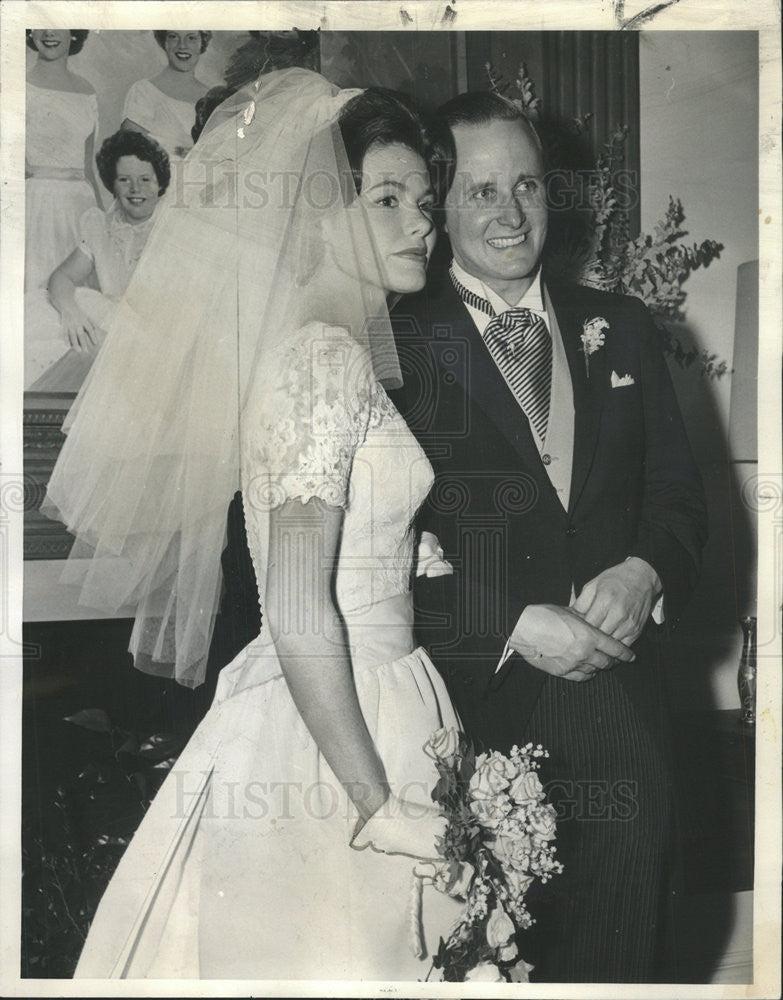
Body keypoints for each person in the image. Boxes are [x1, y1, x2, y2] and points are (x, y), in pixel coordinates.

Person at [44, 69, 463, 980]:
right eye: (384, 199)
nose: (420, 221)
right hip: (340, 724)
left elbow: (307, 531)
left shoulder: (318, 349)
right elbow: (298, 607)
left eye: (424, 200)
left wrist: (393, 544)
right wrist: (374, 803)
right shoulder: (321, 358)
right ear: (316, 216)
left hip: (351, 691)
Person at [385, 92, 708, 982]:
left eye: (526, 185)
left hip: (620, 714)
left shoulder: (626, 329)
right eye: (482, 190)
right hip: (462, 713)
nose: (511, 213)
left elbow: (679, 498)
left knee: (622, 946)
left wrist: (644, 571)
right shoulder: (389, 345)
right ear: (439, 205)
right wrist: (509, 625)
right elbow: (359, 565)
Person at [25, 130, 170, 391]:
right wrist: (71, 311)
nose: (135, 189)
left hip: (155, 333)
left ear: (160, 184)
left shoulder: (173, 228)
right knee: (39, 332)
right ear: (111, 184)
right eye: (124, 180)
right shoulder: (100, 224)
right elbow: (62, 277)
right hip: (108, 320)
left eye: (145, 179)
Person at [25, 29, 101, 292]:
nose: (48, 32)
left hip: (80, 204)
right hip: (35, 206)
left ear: (74, 33)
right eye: (41, 24)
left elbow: (88, 168)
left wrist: (102, 219)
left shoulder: (87, 91)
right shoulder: (18, 86)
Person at [122, 31, 211, 161]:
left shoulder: (211, 97)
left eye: (191, 38)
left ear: (202, 43)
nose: (182, 46)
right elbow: (129, 147)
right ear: (164, 42)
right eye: (173, 37)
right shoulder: (143, 91)